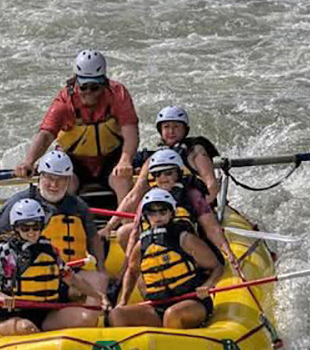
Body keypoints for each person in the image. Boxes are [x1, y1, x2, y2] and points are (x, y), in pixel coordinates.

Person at [0, 149, 108, 298]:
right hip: (27, 275)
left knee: (99, 279)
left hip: (66, 271)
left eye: (61, 179)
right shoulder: (19, 204)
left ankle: (92, 315)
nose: (54, 184)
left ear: (69, 180)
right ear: (40, 176)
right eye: (49, 178)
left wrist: (101, 267)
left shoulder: (78, 206)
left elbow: (93, 238)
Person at [13, 50, 139, 203]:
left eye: (95, 87)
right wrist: (29, 161)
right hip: (73, 162)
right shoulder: (64, 102)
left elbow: (130, 130)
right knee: (64, 182)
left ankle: (125, 225)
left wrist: (125, 160)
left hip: (111, 158)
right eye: (84, 87)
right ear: (75, 82)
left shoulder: (118, 94)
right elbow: (46, 134)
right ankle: (65, 221)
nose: (89, 93)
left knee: (122, 179)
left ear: (104, 83)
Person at [0, 198, 109, 335]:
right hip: (12, 314)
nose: (31, 232)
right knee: (27, 328)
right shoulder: (4, 251)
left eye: (36, 227)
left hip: (46, 312)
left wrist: (98, 295)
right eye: (25, 228)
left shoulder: (48, 248)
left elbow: (72, 279)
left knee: (86, 319)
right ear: (15, 228)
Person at [109, 189, 224, 330]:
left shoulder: (184, 239)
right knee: (116, 315)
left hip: (193, 301)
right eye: (152, 213)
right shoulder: (141, 245)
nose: (158, 217)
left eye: (163, 212)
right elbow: (132, 272)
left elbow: (217, 266)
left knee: (172, 315)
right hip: (158, 306)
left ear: (171, 213)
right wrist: (123, 301)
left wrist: (208, 285)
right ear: (146, 216)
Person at [100, 149, 234, 264]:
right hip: (156, 241)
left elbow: (211, 227)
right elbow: (135, 231)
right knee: (123, 232)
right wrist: (127, 269)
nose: (163, 178)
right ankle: (148, 273)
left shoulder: (192, 194)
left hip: (186, 242)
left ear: (178, 173)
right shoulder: (150, 197)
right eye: (158, 174)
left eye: (169, 173)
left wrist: (228, 252)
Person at [137, 106, 220, 201]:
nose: (171, 131)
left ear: (185, 130)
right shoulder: (155, 157)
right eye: (166, 127)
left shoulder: (195, 151)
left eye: (176, 126)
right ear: (160, 131)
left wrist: (200, 208)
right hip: (162, 208)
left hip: (194, 205)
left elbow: (212, 186)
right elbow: (136, 193)